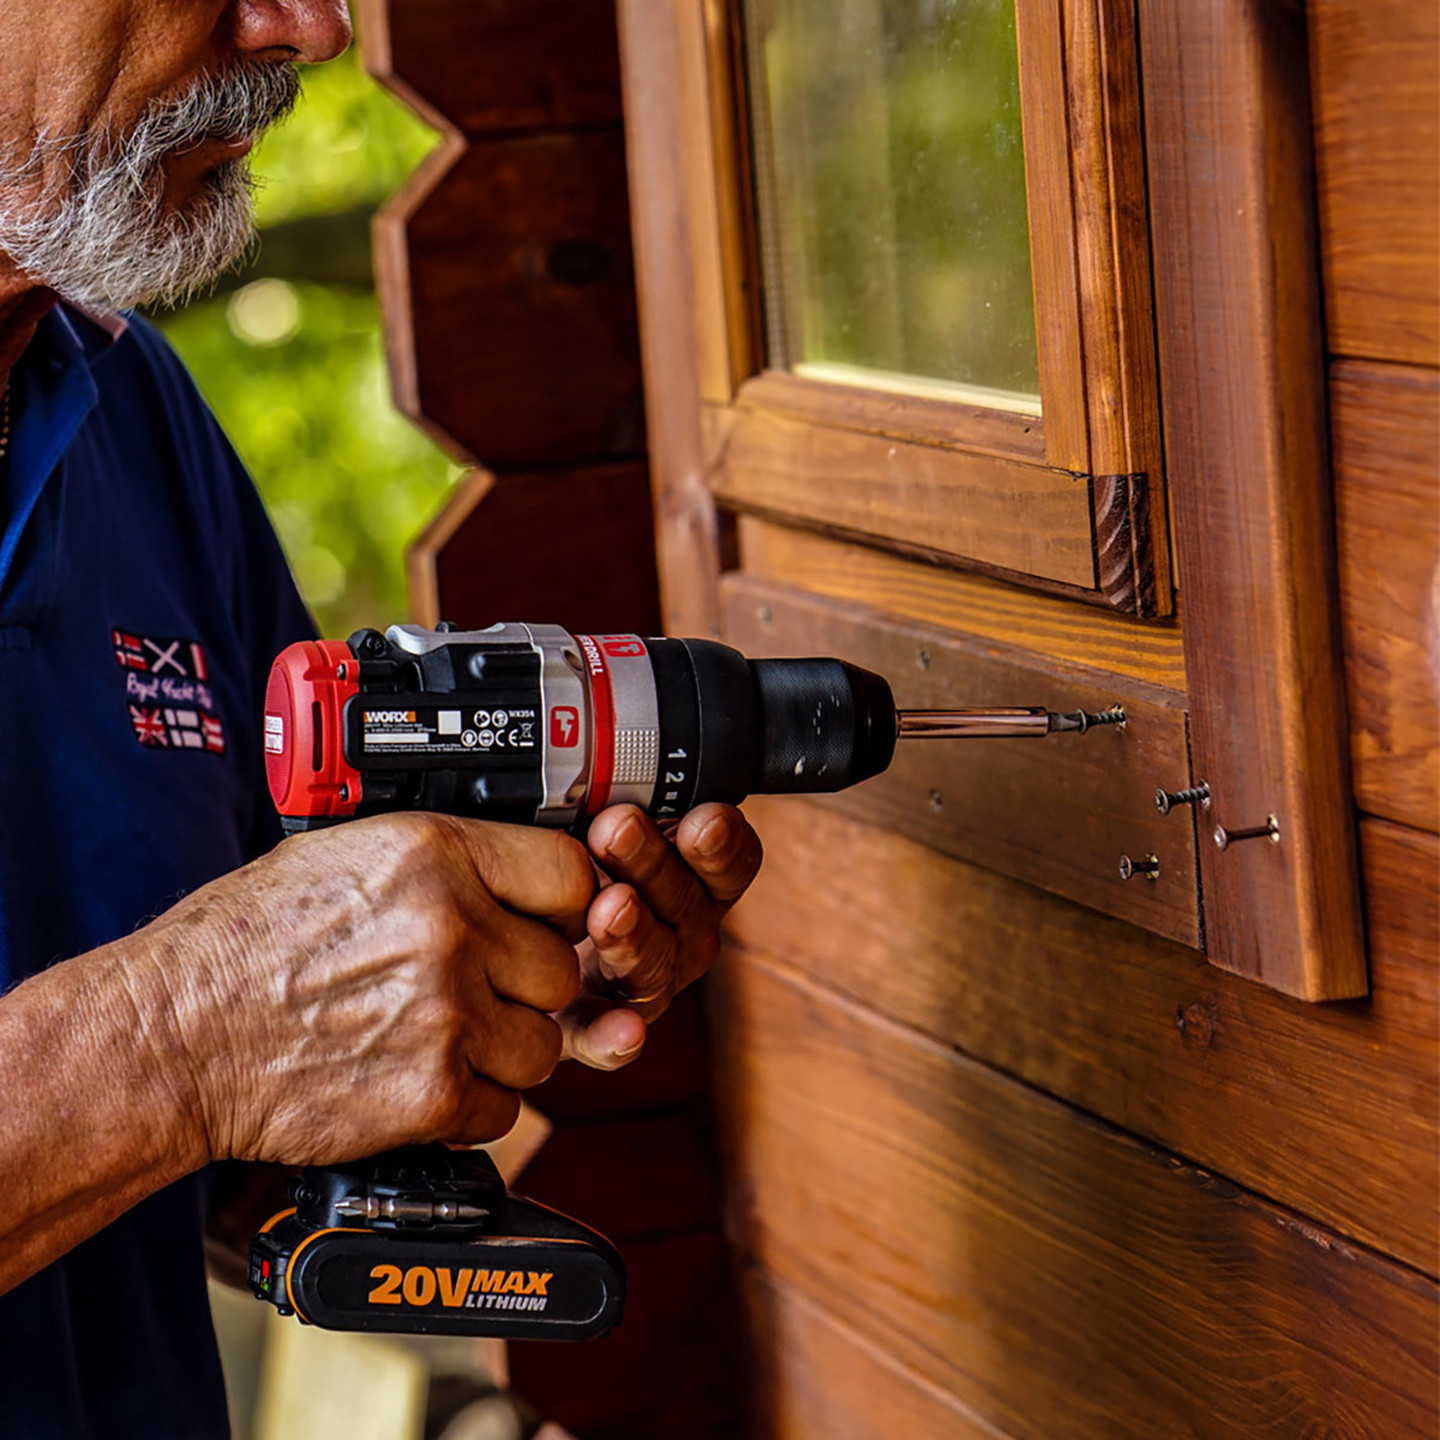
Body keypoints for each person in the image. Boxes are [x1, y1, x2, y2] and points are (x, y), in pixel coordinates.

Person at [0, 3, 763, 1435]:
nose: (311, 27)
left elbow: (236, 1113)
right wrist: (181, 1040)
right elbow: (211, 1036)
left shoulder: (126, 407)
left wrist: (462, 977)